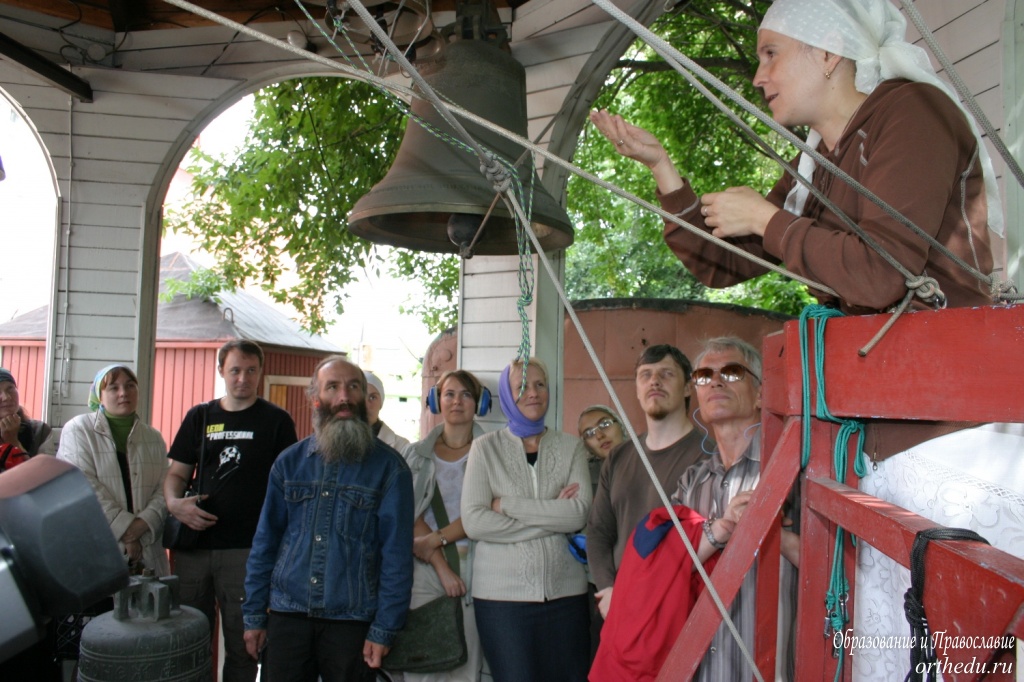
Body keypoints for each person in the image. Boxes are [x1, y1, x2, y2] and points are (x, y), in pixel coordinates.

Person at [594, 1, 1022, 678]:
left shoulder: (912, 111)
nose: (758, 75)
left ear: (828, 52)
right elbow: (723, 261)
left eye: (771, 53)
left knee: (958, 648)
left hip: (953, 437)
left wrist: (767, 219)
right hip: (879, 435)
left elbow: (883, 272)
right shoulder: (817, 162)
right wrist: (663, 169)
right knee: (899, 650)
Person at [242, 356, 414, 682]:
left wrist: (384, 628)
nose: (344, 396)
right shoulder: (288, 463)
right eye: (332, 387)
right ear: (315, 398)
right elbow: (265, 543)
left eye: (353, 387)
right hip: (287, 616)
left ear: (364, 396)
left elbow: (397, 558)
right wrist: (253, 615)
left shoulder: (390, 469)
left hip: (353, 623)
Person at [164, 339, 298, 682]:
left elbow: (290, 486)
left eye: (251, 370)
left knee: (244, 644)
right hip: (195, 547)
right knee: (190, 640)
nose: (243, 378)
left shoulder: (277, 421)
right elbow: (177, 474)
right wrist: (174, 504)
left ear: (260, 372)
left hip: (248, 551)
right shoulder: (200, 416)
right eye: (235, 370)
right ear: (221, 371)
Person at [670, 337, 799, 682]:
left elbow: (837, 569)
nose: (714, 381)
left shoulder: (792, 469)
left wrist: (772, 533)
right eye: (703, 376)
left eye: (731, 371)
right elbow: (668, 564)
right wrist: (721, 530)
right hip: (701, 668)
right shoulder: (691, 481)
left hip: (771, 668)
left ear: (760, 395)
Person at [461, 358, 591, 682]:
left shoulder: (571, 447)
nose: (532, 393)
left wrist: (506, 505)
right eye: (521, 387)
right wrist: (554, 514)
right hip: (501, 603)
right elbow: (474, 522)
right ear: (507, 395)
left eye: (539, 385)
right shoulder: (485, 449)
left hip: (567, 597)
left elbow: (578, 513)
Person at [586, 345, 705, 621]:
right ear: (638, 390)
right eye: (646, 375)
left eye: (667, 374)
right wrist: (608, 590)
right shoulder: (618, 457)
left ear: (688, 388)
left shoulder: (708, 456)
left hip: (680, 610)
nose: (654, 381)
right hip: (621, 606)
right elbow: (598, 531)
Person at [402, 369, 489, 682]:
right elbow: (409, 512)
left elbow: (485, 513)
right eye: (449, 394)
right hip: (425, 568)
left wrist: (435, 540)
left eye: (466, 394)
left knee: (466, 667)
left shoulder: (494, 453)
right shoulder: (414, 454)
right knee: (423, 665)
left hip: (476, 567)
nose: (457, 401)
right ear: (436, 400)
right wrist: (440, 564)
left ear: (479, 403)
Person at [57, 364, 170, 576]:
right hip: (97, 551)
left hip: (148, 550)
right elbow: (80, 485)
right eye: (113, 388)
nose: (123, 393)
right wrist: (127, 530)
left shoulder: (153, 438)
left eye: (130, 385)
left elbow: (165, 488)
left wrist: (143, 525)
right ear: (99, 396)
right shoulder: (79, 430)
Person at [0, 367, 53, 468]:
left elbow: (45, 474)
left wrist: (13, 442)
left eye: (10, 388)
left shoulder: (40, 431)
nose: (7, 397)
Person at [577, 404, 624, 492]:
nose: (599, 436)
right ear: (586, 445)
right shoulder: (584, 478)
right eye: (589, 433)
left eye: (605, 424)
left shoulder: (645, 460)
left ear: (621, 425)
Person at [365, 370, 412, 453]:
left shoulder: (401, 446)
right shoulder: (342, 441)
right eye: (361, 397)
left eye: (373, 397)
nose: (366, 404)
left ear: (381, 404)